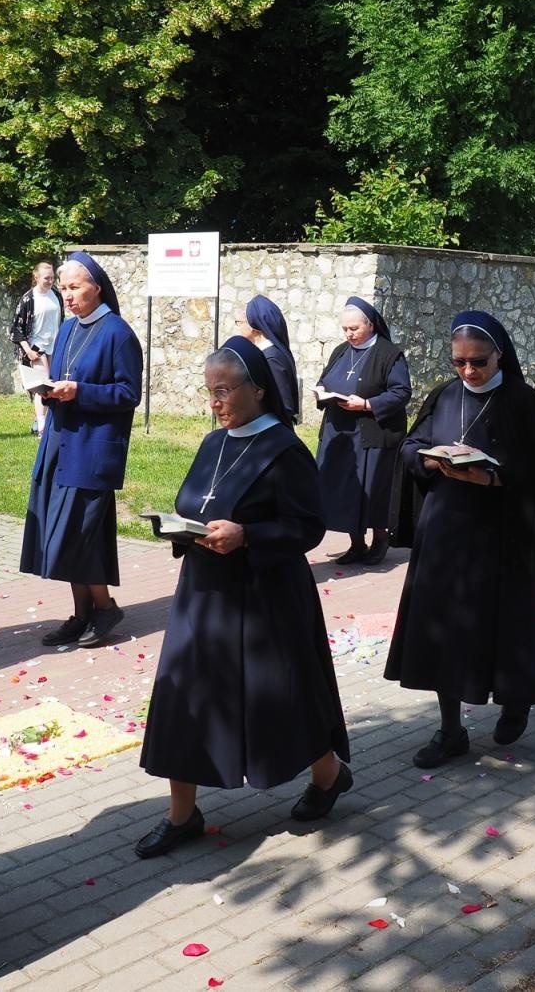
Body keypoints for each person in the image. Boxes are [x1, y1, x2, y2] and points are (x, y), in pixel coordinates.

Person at [135, 338, 351, 858]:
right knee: (184, 698)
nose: (216, 402)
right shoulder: (214, 443)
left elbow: (308, 527)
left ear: (258, 390)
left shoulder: (284, 450)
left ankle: (328, 775)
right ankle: (182, 815)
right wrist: (181, 529)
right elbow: (197, 503)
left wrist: (248, 536)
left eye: (225, 391)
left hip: (265, 599)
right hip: (203, 595)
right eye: (210, 392)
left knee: (280, 701)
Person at [384, 311, 535, 767]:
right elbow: (411, 445)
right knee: (443, 629)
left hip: (501, 535)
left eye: (478, 362)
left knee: (503, 624)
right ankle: (450, 730)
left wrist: (493, 479)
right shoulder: (445, 395)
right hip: (445, 533)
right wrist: (432, 460)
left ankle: (515, 701)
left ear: (499, 354)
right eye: (459, 361)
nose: (468, 370)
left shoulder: (523, 403)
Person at [22, 251, 143, 649]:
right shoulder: (68, 328)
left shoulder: (118, 333)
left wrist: (80, 391)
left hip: (92, 448)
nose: (67, 296)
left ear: (97, 287)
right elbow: (62, 376)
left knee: (80, 533)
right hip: (60, 441)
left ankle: (104, 608)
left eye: (75, 287)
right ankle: (81, 613)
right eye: (63, 288)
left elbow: (128, 393)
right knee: (65, 531)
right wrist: (49, 389)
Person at [314, 297, 411, 564]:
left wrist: (368, 404)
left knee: (373, 489)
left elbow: (401, 392)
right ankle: (356, 544)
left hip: (371, 434)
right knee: (345, 490)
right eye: (345, 329)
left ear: (370, 325)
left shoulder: (389, 354)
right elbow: (325, 379)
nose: (349, 334)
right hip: (339, 434)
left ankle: (380, 541)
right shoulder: (340, 351)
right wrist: (321, 391)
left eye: (354, 328)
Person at [8, 259, 63, 435]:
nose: (50, 281)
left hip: (55, 346)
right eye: (46, 278)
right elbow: (16, 329)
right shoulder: (28, 299)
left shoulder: (57, 296)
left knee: (53, 384)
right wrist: (28, 351)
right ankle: (41, 428)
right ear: (36, 277)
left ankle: (41, 420)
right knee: (43, 385)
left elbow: (61, 321)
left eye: (52, 277)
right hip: (36, 348)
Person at [239, 294, 301, 424]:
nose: (239, 326)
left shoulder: (271, 359)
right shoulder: (265, 354)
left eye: (241, 322)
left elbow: (284, 407)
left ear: (253, 325)